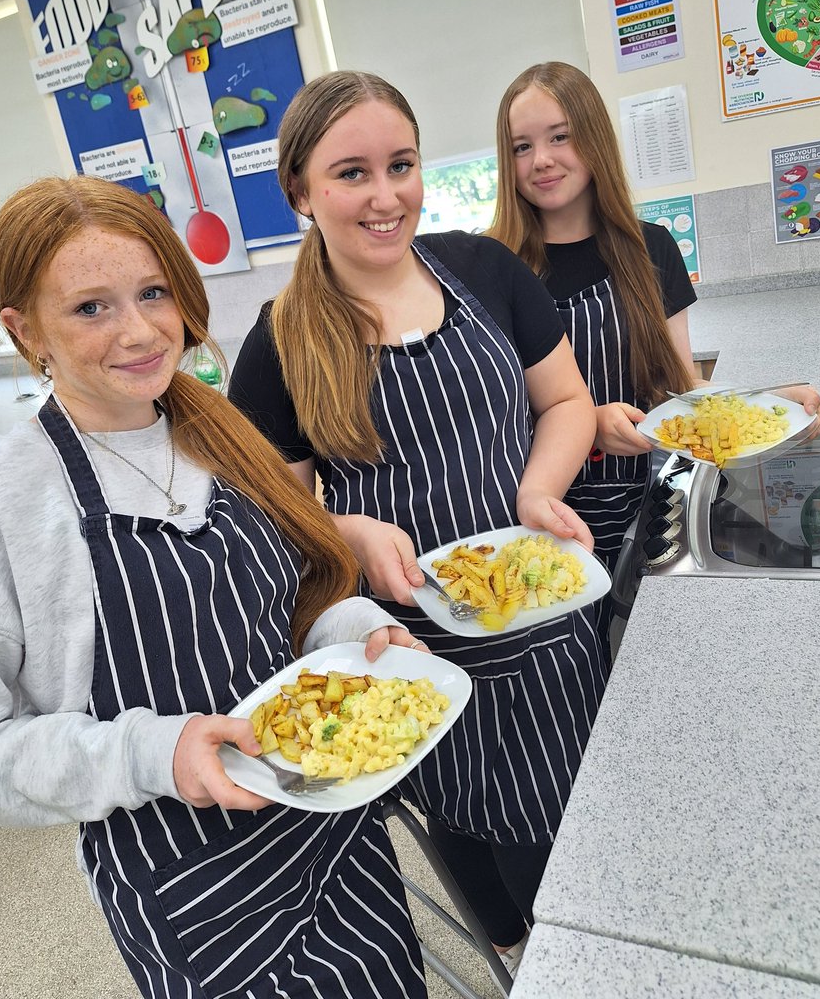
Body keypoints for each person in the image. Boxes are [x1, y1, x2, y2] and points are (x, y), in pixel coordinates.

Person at [0, 175, 429, 999]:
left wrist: (352, 634)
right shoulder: (5, 499)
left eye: (154, 292)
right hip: (192, 884)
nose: (143, 330)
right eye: (91, 307)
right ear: (24, 328)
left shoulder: (220, 433)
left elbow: (289, 605)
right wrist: (157, 749)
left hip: (329, 821)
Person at [228, 70, 601, 978]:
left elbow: (567, 403)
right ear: (302, 193)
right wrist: (346, 529)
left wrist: (538, 494)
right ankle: (529, 963)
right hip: (412, 654)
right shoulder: (278, 344)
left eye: (401, 164)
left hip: (544, 618)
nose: (386, 194)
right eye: (351, 172)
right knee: (480, 842)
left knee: (578, 838)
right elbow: (271, 520)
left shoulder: (485, 269)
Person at [489, 61, 820, 570]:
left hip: (640, 498)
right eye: (522, 147)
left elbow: (677, 391)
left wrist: (770, 404)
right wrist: (585, 424)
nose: (541, 160)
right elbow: (485, 417)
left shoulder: (652, 249)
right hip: (535, 508)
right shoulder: (492, 267)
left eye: (560, 137)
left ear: (594, 139)